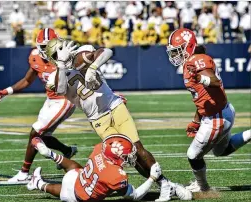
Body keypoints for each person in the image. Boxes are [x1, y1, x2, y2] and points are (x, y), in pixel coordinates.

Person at [44, 38, 192, 201]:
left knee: (137, 147)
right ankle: (169, 185)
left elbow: (107, 51)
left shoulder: (82, 53)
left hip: (114, 106)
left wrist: (93, 68)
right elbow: (61, 88)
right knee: (129, 155)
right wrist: (62, 65)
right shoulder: (54, 78)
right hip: (98, 120)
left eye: (61, 49)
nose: (61, 53)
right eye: (57, 52)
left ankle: (164, 185)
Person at [166, 28, 251, 192]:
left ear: (188, 46)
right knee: (222, 151)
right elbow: (201, 96)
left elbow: (214, 81)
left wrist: (200, 78)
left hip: (216, 117)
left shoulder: (197, 60)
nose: (175, 55)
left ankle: (203, 188)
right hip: (220, 111)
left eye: (178, 50)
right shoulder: (191, 60)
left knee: (193, 155)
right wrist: (196, 120)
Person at [0, 28, 76, 182]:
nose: (47, 49)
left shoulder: (66, 57)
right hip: (50, 100)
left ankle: (24, 173)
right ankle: (67, 150)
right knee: (43, 135)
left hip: (65, 100)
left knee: (35, 132)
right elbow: (27, 80)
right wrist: (7, 91)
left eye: (49, 45)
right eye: (43, 46)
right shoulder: (35, 57)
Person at [27, 135, 163, 202]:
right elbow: (135, 196)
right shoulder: (116, 176)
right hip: (77, 196)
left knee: (76, 168)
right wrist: (152, 178)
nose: (130, 157)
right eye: (127, 156)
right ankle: (38, 183)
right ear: (117, 157)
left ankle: (51, 154)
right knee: (65, 191)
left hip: (78, 177)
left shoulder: (100, 149)